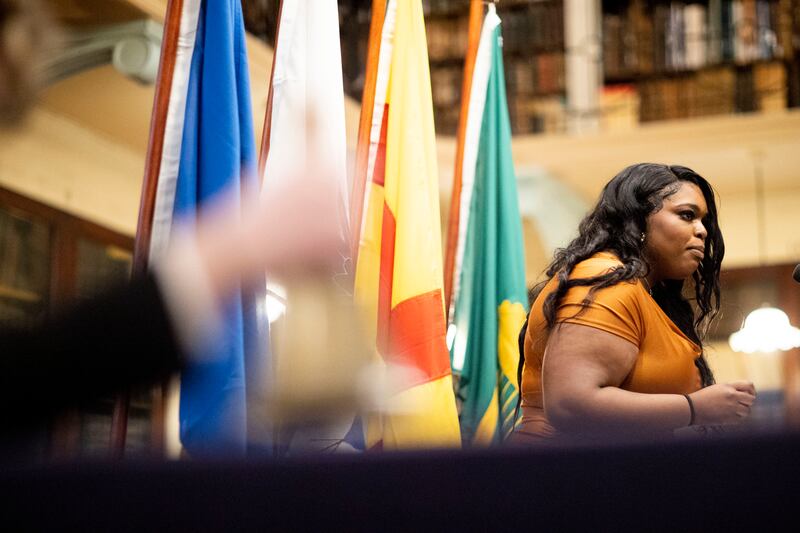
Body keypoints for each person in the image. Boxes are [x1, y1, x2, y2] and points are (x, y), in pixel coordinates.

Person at [511, 163, 756, 446]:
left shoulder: (642, 291)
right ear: (638, 220)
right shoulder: (605, 280)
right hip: (561, 467)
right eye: (687, 215)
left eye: (704, 221)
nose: (702, 231)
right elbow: (570, 403)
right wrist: (694, 408)